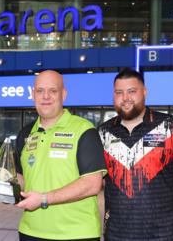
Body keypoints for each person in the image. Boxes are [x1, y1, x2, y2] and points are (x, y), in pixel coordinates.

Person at [98, 68, 173, 241]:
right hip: (116, 233)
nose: (125, 98)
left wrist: (163, 197)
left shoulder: (171, 126)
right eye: (119, 92)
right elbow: (98, 179)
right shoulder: (103, 132)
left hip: (160, 233)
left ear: (144, 92)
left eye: (132, 91)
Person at [14, 70, 106, 241]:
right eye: (40, 91)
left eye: (53, 91)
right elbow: (21, 180)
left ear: (63, 94)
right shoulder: (25, 134)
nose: (46, 96)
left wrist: (43, 198)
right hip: (30, 231)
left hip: (77, 234)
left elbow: (93, 184)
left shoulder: (84, 130)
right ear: (33, 95)